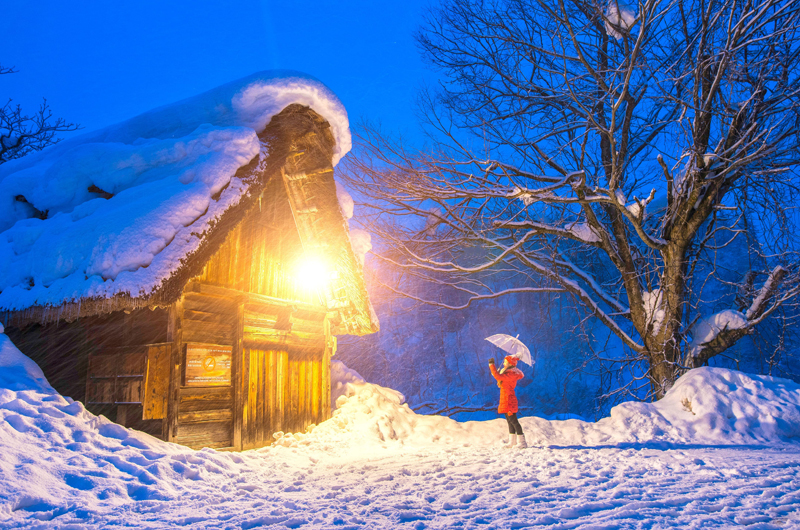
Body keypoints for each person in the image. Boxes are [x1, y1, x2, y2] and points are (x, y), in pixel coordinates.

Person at [488, 355, 527, 449]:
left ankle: (522, 442)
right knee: (510, 422)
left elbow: (498, 376)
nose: (504, 363)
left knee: (514, 421)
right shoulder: (507, 373)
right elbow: (499, 377)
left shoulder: (511, 374)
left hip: (509, 400)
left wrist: (491, 365)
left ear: (510, 363)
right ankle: (512, 442)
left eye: (505, 361)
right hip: (505, 399)